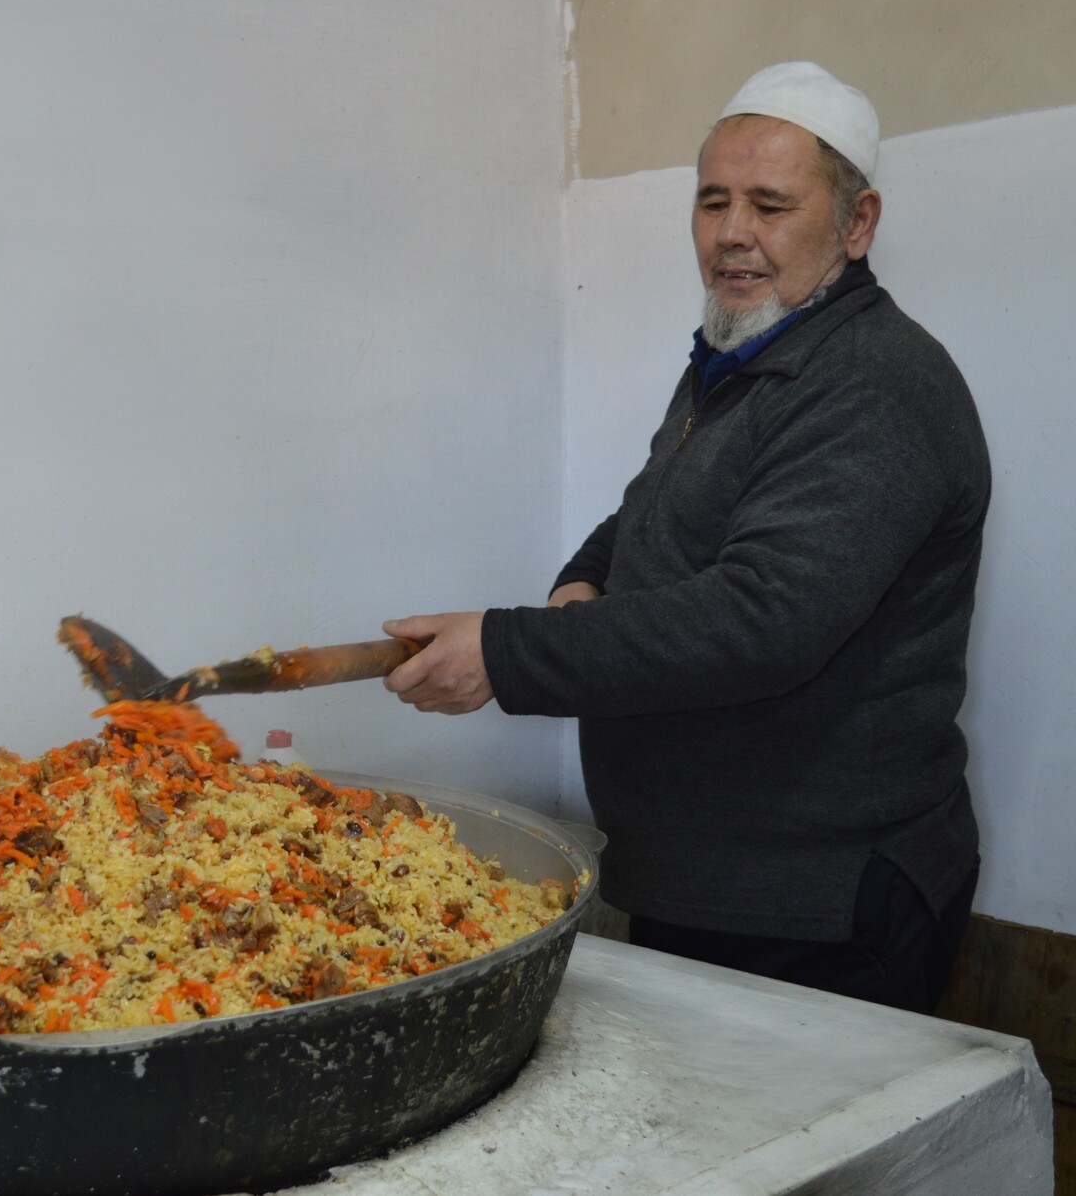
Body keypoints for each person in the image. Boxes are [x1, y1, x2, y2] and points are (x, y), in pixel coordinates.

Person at [382, 62, 988, 1016]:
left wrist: (509, 653)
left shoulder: (878, 382)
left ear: (857, 223)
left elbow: (762, 621)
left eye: (771, 204)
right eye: (713, 203)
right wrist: (582, 585)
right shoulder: (746, 351)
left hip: (816, 909)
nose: (733, 234)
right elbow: (651, 511)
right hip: (708, 883)